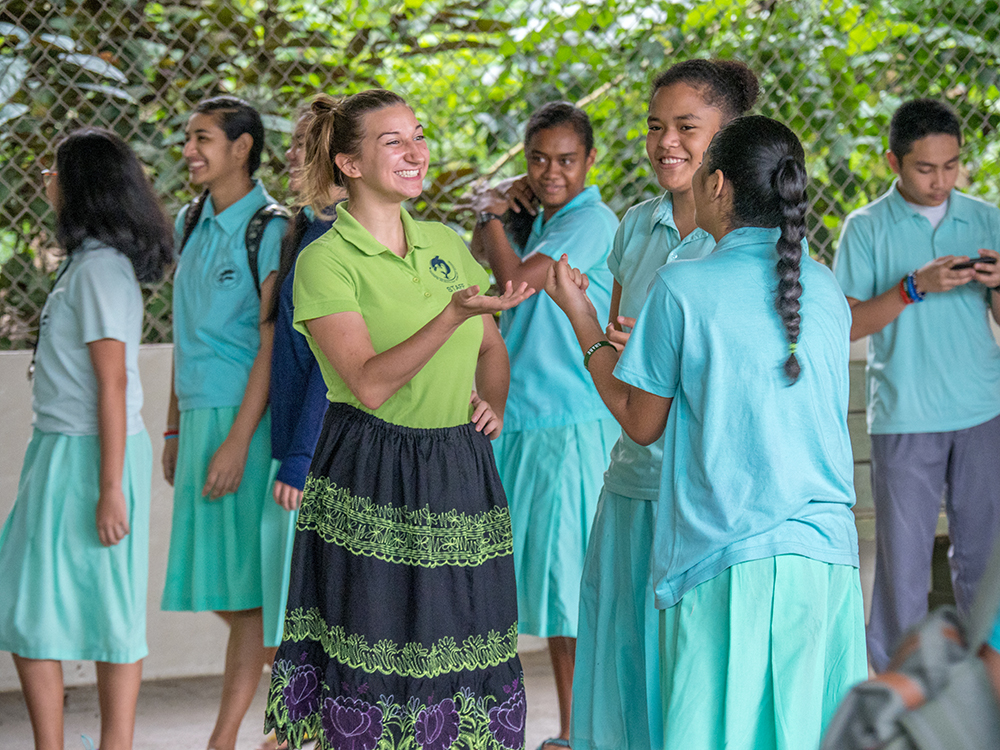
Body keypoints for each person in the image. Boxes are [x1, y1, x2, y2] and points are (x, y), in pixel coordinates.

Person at [546, 115, 867, 750]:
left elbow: (641, 424)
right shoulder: (823, 287)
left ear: (716, 184)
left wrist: (580, 315)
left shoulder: (683, 286)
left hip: (725, 561)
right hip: (827, 560)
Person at [262, 90, 533, 750]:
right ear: (350, 164)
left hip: (459, 470)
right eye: (394, 141)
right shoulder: (325, 260)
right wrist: (450, 316)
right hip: (371, 470)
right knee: (375, 653)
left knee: (463, 649)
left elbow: (492, 348)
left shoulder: (443, 244)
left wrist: (488, 401)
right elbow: (369, 384)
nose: (417, 152)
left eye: (419, 135)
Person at [570, 59, 758, 750]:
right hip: (632, 482)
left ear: (729, 141)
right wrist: (615, 347)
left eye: (687, 127)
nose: (665, 143)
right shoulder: (636, 226)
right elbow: (623, 385)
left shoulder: (744, 248)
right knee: (624, 676)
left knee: (689, 684)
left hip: (704, 499)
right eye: (655, 127)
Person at [0, 127, 173, 750]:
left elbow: (113, 383)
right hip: (61, 450)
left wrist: (111, 490)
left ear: (83, 186)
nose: (46, 180)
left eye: (55, 171)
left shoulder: (101, 268)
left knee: (109, 609)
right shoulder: (85, 264)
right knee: (27, 606)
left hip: (91, 455)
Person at [832, 98, 1000, 672]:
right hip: (904, 415)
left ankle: (984, 689)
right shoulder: (865, 228)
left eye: (951, 166)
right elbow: (847, 323)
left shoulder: (985, 218)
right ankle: (898, 701)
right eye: (926, 168)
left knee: (983, 560)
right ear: (893, 163)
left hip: (983, 409)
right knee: (902, 569)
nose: (940, 181)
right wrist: (913, 286)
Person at [471, 102, 618, 750]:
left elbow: (509, 285)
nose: (551, 171)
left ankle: (576, 731)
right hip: (524, 418)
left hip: (570, 423)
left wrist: (494, 216)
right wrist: (501, 219)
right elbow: (484, 257)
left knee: (568, 593)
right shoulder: (543, 221)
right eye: (538, 159)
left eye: (566, 160)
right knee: (519, 586)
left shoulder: (592, 221)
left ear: (590, 161)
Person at [159, 95, 290, 750]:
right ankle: (295, 715)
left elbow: (271, 340)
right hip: (199, 418)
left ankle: (230, 736)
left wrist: (239, 440)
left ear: (241, 147)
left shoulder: (270, 227)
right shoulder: (189, 220)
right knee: (225, 588)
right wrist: (174, 426)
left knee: (246, 592)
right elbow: (183, 335)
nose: (189, 150)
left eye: (202, 138)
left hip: (248, 423)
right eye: (189, 138)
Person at [257, 106, 346, 750]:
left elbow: (330, 366)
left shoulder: (333, 242)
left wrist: (299, 458)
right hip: (295, 446)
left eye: (301, 148)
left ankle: (297, 736)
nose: (290, 159)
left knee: (302, 613)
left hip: (312, 457)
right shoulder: (306, 232)